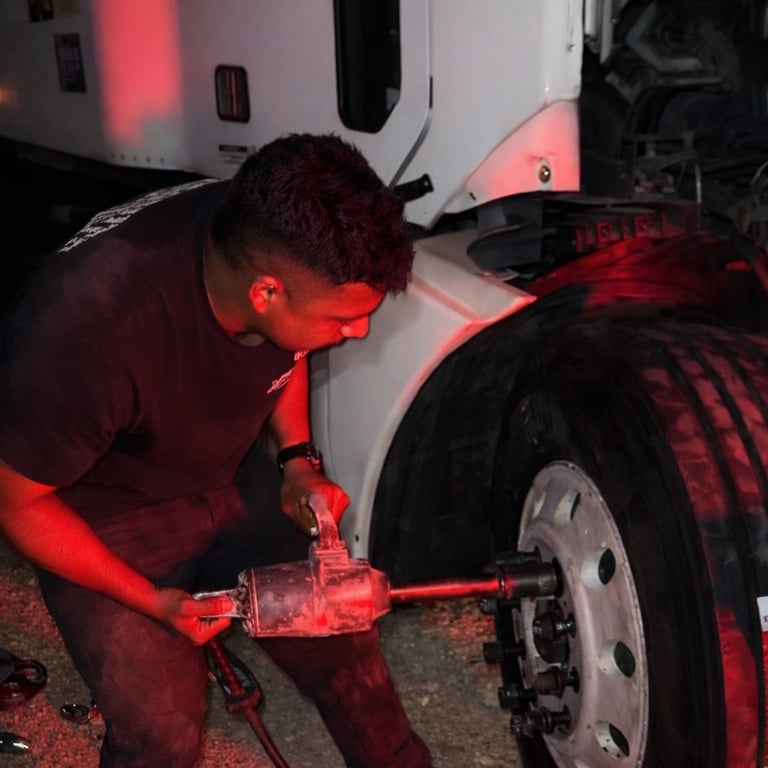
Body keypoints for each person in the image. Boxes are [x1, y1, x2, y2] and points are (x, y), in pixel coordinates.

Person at [0, 133, 431, 767]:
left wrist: (297, 464)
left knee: (344, 646)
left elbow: (287, 350)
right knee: (163, 734)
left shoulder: (270, 231)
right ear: (266, 292)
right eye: (343, 318)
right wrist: (152, 602)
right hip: (101, 512)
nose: (358, 330)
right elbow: (17, 505)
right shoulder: (83, 330)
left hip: (229, 473)